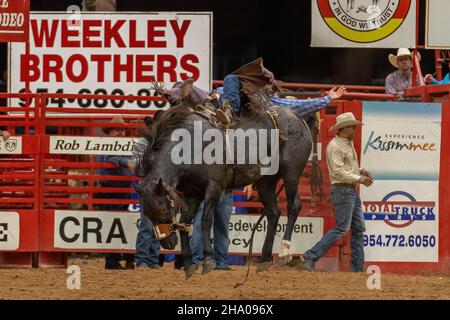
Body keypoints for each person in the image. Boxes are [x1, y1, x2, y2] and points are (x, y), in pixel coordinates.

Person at [300, 112, 374, 272]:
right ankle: (310, 255)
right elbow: (338, 172)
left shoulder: (345, 144)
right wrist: (359, 178)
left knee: (357, 228)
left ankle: (357, 268)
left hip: (348, 190)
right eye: (352, 127)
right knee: (343, 227)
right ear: (344, 129)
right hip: (343, 190)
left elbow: (345, 168)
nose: (354, 129)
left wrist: (360, 171)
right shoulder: (335, 146)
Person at [98, 116, 136, 269]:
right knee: (112, 225)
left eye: (121, 130)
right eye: (116, 130)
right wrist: (126, 162)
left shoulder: (125, 146)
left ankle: (127, 258)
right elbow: (112, 158)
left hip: (123, 189)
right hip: (110, 190)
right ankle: (112, 260)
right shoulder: (107, 145)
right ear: (110, 132)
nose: (120, 133)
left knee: (124, 224)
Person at [190, 191, 234, 270]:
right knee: (221, 229)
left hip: (214, 192)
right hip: (216, 192)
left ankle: (195, 261)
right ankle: (221, 262)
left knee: (200, 227)